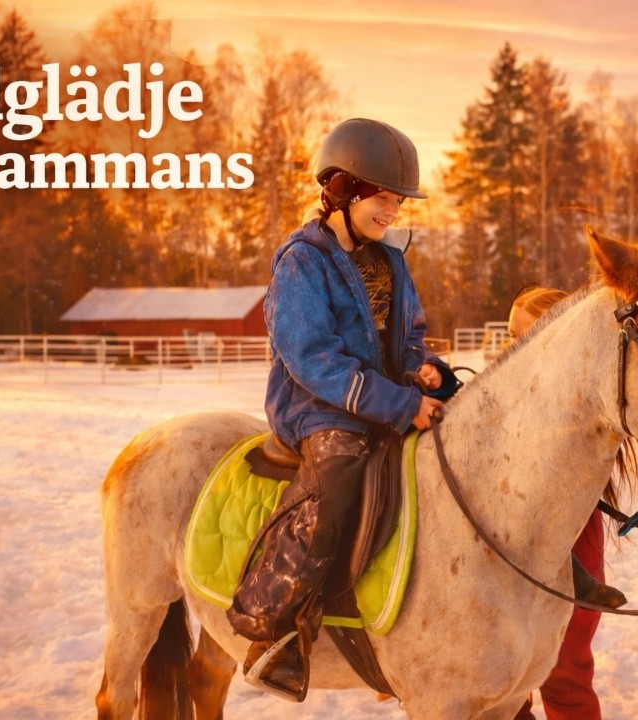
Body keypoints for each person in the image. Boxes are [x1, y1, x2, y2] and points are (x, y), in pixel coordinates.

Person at [226, 117, 460, 702]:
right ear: (345, 190)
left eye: (399, 201)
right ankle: (272, 627)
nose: (394, 211)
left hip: (381, 398)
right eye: (384, 198)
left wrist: (424, 368)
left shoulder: (392, 261)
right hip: (316, 407)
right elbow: (313, 359)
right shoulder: (301, 260)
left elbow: (406, 337)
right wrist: (397, 401)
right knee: (337, 475)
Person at [508, 285, 626, 720]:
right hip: (514, 549)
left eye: (527, 335)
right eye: (509, 336)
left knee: (565, 669)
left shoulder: (581, 397)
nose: (513, 348)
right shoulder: (505, 392)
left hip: (571, 540)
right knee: (505, 676)